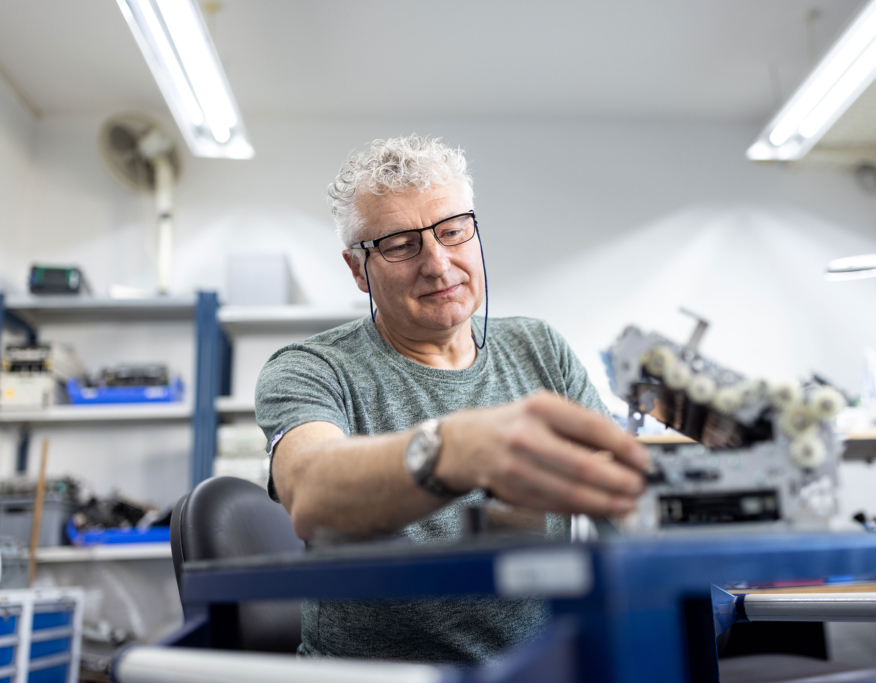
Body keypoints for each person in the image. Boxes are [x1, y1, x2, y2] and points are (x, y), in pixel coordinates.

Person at [256, 134, 648, 663]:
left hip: (534, 666)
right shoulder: (312, 369)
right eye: (399, 244)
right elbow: (311, 493)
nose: (438, 265)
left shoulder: (538, 348)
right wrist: (451, 449)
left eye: (453, 231)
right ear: (357, 270)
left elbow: (622, 489)